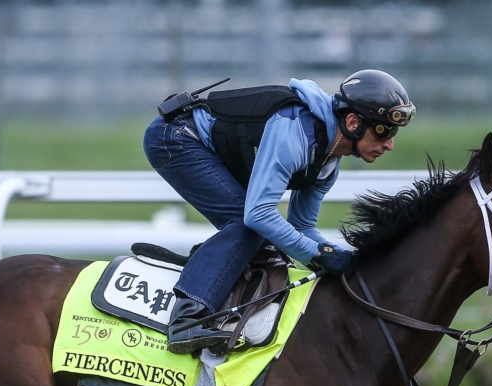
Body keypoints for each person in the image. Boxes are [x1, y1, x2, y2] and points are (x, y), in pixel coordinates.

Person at [143, 70, 415, 353]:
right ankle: (186, 319)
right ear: (353, 122)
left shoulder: (329, 161)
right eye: (384, 130)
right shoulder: (293, 132)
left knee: (266, 237)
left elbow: (301, 227)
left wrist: (342, 258)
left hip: (205, 146)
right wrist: (318, 255)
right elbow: (258, 215)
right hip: (175, 138)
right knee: (248, 226)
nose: (390, 144)